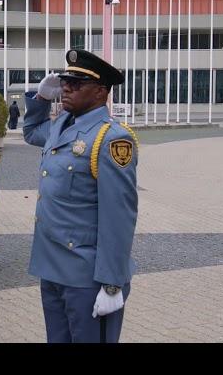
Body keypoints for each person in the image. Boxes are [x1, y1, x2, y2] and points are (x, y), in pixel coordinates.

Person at [23, 49, 139, 343]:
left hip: (87, 275)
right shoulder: (62, 125)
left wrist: (112, 283)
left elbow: (119, 215)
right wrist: (41, 99)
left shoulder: (111, 138)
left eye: (76, 84)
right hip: (53, 267)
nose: (66, 88)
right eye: (65, 82)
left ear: (100, 92)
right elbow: (30, 131)